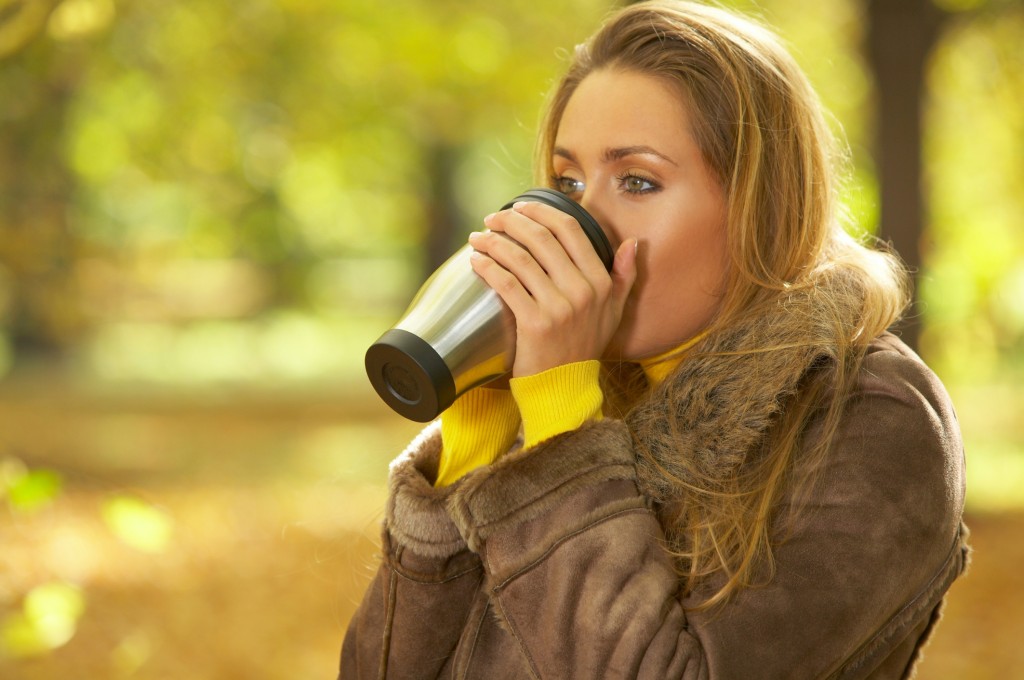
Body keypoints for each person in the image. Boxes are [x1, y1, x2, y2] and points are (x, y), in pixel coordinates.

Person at [339, 1, 969, 677]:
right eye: (568, 182)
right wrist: (472, 447)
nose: (580, 225)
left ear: (759, 207)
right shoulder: (573, 390)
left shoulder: (872, 413)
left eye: (637, 181)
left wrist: (562, 436)